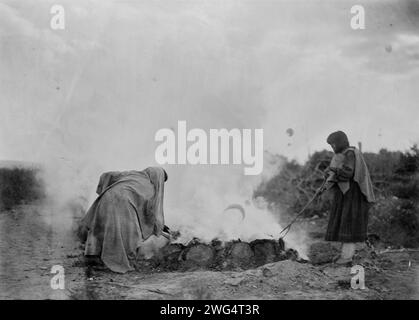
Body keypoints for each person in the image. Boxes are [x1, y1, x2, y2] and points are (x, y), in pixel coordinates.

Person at [78, 167, 170, 273]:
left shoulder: (131, 174)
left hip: (106, 197)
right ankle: (120, 260)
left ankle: (92, 255)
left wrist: (105, 189)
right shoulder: (149, 187)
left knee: (99, 227)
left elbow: (106, 175)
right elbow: (148, 214)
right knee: (128, 234)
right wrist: (157, 228)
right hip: (122, 204)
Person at [321, 131, 375, 265]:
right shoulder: (344, 154)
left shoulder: (350, 153)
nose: (332, 147)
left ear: (340, 142)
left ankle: (346, 258)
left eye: (333, 144)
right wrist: (330, 173)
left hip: (353, 194)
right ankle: (344, 255)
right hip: (346, 194)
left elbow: (348, 173)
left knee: (349, 225)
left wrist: (333, 170)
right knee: (345, 224)